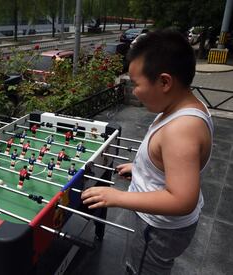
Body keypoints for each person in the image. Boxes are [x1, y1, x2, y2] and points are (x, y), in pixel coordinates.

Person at [81, 30, 213, 275]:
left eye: (136, 84)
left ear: (164, 82)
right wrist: (141, 169)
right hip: (163, 225)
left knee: (141, 269)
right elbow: (171, 162)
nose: (134, 92)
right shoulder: (184, 106)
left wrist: (117, 197)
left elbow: (182, 200)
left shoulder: (181, 130)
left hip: (158, 229)